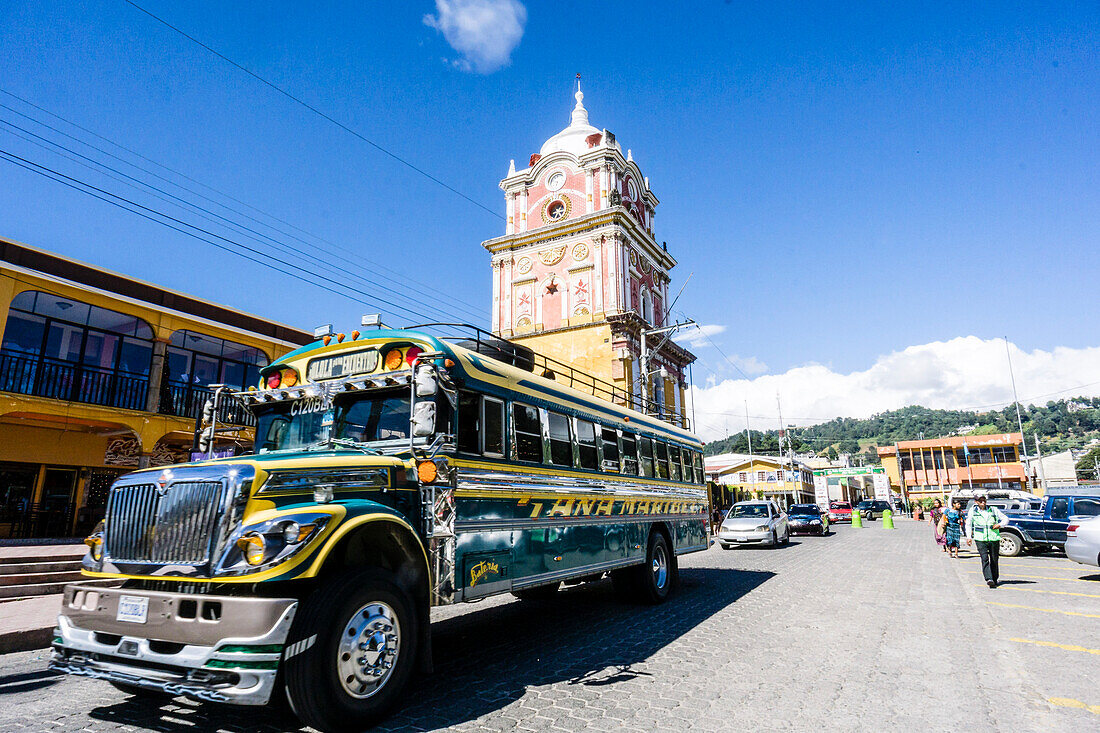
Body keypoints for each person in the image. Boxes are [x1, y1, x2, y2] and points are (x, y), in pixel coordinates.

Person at [966, 495, 1009, 588]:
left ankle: (994, 578)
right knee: (984, 558)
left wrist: (1000, 525)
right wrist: (969, 537)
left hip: (993, 538)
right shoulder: (973, 511)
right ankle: (988, 579)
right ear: (976, 502)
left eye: (984, 500)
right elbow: (968, 524)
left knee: (994, 559)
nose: (983, 503)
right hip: (980, 539)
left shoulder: (993, 510)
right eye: (980, 501)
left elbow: (1005, 519)